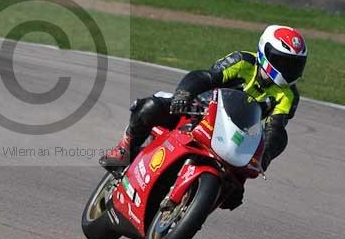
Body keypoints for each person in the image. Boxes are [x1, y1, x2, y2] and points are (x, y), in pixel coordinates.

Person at [99, 25, 307, 209]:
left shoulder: (288, 95)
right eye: (283, 61)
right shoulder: (243, 61)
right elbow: (207, 76)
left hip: (236, 137)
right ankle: (124, 148)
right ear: (265, 52)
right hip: (201, 109)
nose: (288, 69)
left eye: (294, 65)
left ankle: (198, 202)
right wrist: (184, 94)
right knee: (152, 106)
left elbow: (275, 129)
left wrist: (265, 156)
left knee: (234, 191)